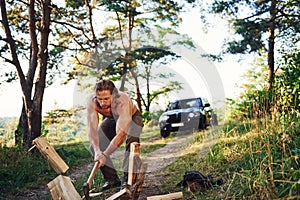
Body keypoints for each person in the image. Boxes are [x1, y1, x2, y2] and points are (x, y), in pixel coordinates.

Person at [87, 79, 143, 191]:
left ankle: (128, 180)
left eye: (106, 99)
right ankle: (112, 180)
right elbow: (92, 129)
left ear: (114, 96)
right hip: (112, 118)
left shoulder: (122, 102)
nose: (102, 102)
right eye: (100, 99)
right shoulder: (92, 102)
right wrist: (98, 151)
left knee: (132, 142)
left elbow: (121, 135)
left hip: (132, 117)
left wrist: (105, 154)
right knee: (94, 146)